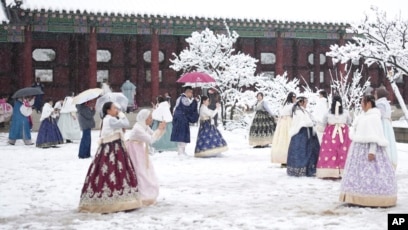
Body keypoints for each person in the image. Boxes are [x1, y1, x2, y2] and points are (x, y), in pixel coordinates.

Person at [78, 102, 142, 213]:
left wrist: (119, 128)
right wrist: (121, 114)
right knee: (114, 171)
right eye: (114, 108)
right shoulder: (110, 119)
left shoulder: (107, 119)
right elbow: (126, 123)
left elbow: (116, 128)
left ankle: (107, 199)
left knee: (105, 172)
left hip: (107, 147)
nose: (116, 109)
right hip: (112, 148)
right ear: (108, 110)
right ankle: (116, 201)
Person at [340, 95, 397, 207]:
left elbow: (374, 136)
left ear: (369, 103)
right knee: (358, 173)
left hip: (368, 150)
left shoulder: (374, 117)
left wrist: (372, 151)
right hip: (358, 150)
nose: (361, 104)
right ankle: (356, 196)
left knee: (372, 173)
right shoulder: (363, 116)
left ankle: (373, 198)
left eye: (363, 102)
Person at [126, 109, 166, 206]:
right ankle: (142, 194)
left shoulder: (144, 126)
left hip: (139, 149)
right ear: (144, 118)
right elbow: (150, 140)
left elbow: (153, 135)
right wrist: (159, 129)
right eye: (150, 117)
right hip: (134, 150)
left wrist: (161, 130)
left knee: (145, 170)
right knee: (139, 171)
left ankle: (147, 192)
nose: (151, 120)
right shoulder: (138, 128)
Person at [316, 96, 352, 179]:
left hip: (330, 133)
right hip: (343, 133)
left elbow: (324, 123)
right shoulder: (345, 112)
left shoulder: (328, 112)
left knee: (330, 152)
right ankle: (342, 171)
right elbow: (349, 122)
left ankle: (329, 172)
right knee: (343, 152)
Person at [287, 95, 320, 177]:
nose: (306, 104)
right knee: (303, 152)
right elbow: (301, 123)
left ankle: (310, 168)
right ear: (301, 102)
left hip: (307, 134)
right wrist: (310, 123)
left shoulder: (303, 111)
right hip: (301, 134)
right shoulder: (298, 112)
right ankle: (302, 169)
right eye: (305, 102)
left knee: (310, 151)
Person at [171, 86, 199, 156]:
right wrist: (194, 102)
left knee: (182, 135)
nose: (191, 94)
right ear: (187, 92)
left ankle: (182, 151)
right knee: (182, 135)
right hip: (181, 119)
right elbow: (188, 108)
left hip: (180, 119)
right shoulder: (183, 99)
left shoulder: (181, 98)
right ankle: (181, 151)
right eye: (191, 92)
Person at [375, 87, 398, 168]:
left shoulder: (380, 103)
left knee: (383, 141)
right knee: (389, 141)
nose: (375, 95)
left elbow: (379, 114)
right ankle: (390, 161)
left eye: (375, 93)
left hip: (382, 124)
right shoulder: (385, 102)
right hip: (386, 124)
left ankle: (385, 162)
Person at [271, 92, 296, 167]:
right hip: (289, 122)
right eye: (294, 98)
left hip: (282, 124)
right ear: (292, 98)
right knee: (289, 140)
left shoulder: (284, 105)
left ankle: (283, 158)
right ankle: (289, 158)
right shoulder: (292, 106)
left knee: (282, 141)